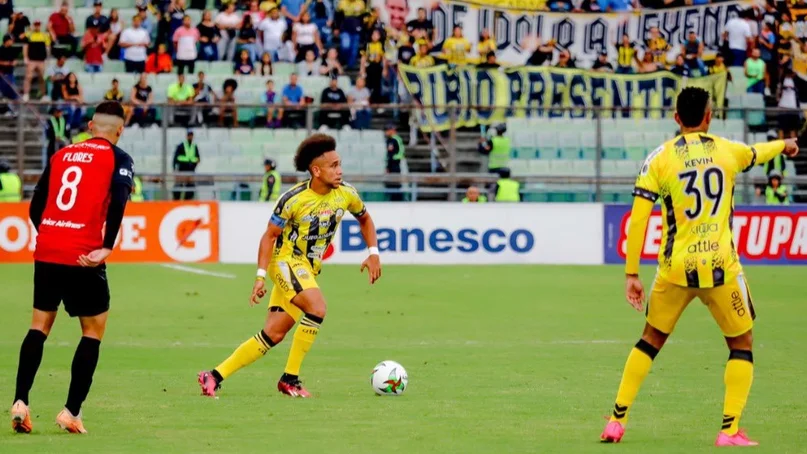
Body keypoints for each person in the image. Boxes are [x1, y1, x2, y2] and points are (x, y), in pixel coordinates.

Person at [599, 87, 799, 446]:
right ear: (709, 117)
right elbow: (758, 152)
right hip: (721, 268)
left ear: (677, 118)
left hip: (675, 270)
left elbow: (640, 219)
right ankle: (729, 429)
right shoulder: (727, 150)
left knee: (651, 340)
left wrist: (632, 273)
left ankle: (616, 420)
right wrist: (785, 146)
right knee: (741, 342)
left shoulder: (658, 159)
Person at [197, 133, 381, 399]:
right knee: (317, 307)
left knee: (273, 334)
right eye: (333, 166)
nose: (339, 170)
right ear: (316, 171)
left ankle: (213, 375)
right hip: (285, 262)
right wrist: (260, 277)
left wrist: (373, 252)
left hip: (307, 268)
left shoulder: (347, 194)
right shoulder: (292, 199)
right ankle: (290, 378)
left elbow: (365, 219)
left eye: (340, 164)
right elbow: (269, 236)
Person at [12, 101, 134, 434]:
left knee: (39, 326)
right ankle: (71, 412)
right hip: (84, 253)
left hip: (49, 248)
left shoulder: (61, 154)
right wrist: (106, 246)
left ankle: (20, 402)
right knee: (92, 331)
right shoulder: (119, 159)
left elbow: (36, 205)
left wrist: (52, 233)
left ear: (91, 125)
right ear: (119, 130)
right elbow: (120, 201)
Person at [22, 20, 50, 101]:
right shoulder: (29, 35)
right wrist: (25, 57)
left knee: (42, 78)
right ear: (33, 25)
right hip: (32, 60)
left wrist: (47, 59)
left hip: (41, 60)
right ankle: (26, 94)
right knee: (28, 77)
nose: (37, 26)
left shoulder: (45, 35)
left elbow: (47, 48)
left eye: (38, 25)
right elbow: (25, 46)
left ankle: (44, 95)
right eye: (35, 25)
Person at [172, 129, 200, 200]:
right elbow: (176, 158)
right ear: (187, 136)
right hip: (182, 170)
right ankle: (176, 200)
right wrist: (174, 168)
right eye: (189, 135)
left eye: (191, 135)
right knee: (178, 186)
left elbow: (198, 158)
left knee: (190, 188)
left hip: (191, 170)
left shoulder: (194, 146)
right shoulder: (181, 145)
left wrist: (193, 165)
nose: (190, 137)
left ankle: (187, 201)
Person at [384, 123, 405, 201]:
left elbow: (401, 152)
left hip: (395, 164)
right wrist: (387, 165)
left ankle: (399, 199)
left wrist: (394, 158)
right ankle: (392, 199)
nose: (386, 131)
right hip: (390, 164)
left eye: (388, 130)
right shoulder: (388, 140)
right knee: (390, 183)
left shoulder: (397, 139)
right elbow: (388, 153)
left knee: (396, 182)